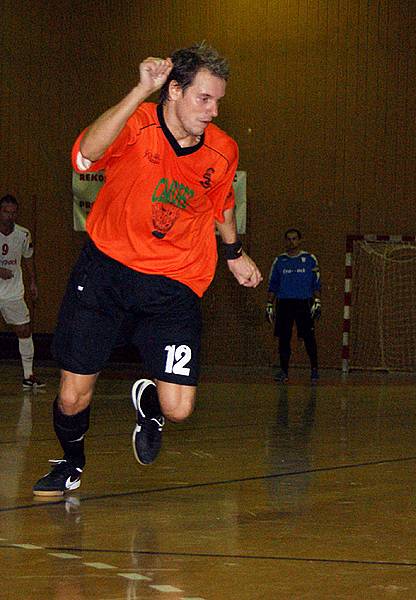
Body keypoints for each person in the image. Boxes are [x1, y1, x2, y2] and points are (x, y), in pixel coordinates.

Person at [33, 43, 262, 497]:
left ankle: (149, 401)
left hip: (174, 284)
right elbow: (83, 158)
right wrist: (140, 91)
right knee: (72, 394)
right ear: (174, 90)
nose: (214, 111)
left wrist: (234, 255)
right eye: (205, 99)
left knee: (179, 408)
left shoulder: (223, 151)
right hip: (106, 274)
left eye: (219, 101)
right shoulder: (136, 125)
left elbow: (222, 205)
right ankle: (71, 462)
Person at [266, 228, 321, 384]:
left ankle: (314, 370)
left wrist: (317, 301)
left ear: (300, 240)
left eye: (294, 238)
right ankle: (284, 371)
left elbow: (316, 282)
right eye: (288, 239)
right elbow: (273, 285)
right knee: (284, 339)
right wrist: (269, 303)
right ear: (285, 241)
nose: (292, 242)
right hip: (284, 303)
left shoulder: (310, 259)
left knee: (309, 337)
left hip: (304, 303)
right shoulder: (279, 261)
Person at [0, 194, 44, 389]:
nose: (9, 216)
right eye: (5, 212)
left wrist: (33, 282)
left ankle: (29, 375)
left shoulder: (23, 234)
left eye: (13, 212)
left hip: (12, 292)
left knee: (24, 330)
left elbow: (28, 258)